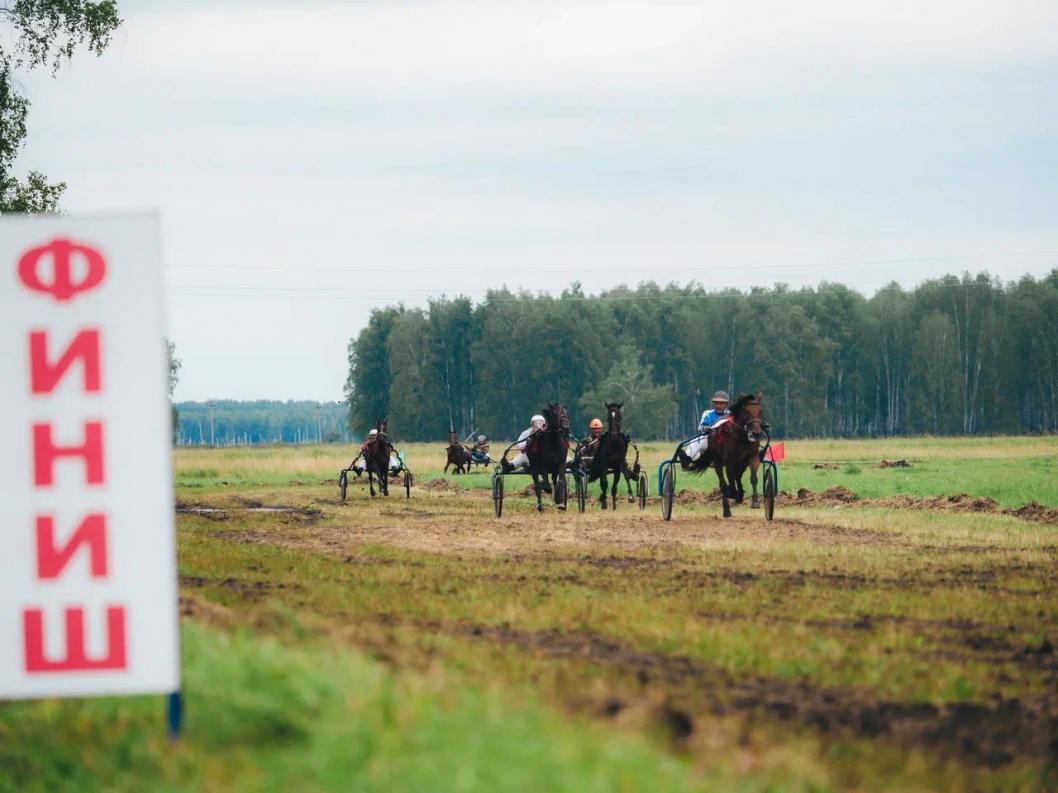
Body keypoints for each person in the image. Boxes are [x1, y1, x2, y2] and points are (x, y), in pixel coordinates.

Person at [679, 391, 731, 469]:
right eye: (716, 403)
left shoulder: (731, 414)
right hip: (710, 440)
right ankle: (687, 459)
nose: (718, 406)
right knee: (697, 440)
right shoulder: (708, 413)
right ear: (713, 404)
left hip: (727, 441)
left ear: (726, 404)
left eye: (721, 403)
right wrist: (705, 428)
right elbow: (702, 426)